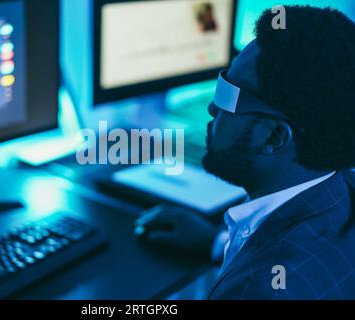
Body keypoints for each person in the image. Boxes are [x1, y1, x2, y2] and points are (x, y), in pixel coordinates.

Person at [134, 6, 355, 299]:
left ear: (275, 137)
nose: (212, 108)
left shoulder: (255, 290)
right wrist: (220, 243)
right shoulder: (343, 192)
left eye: (229, 94)